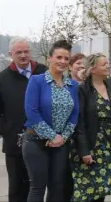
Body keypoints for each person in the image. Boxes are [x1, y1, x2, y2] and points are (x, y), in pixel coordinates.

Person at [22, 40, 79, 202]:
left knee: (57, 188)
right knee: (37, 188)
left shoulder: (72, 85)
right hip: (35, 141)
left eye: (66, 58)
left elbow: (75, 114)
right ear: (50, 58)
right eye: (59, 57)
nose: (62, 61)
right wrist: (52, 136)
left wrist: (62, 138)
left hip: (60, 144)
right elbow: (31, 112)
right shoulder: (37, 81)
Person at [70, 53, 111, 202]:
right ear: (93, 69)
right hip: (91, 145)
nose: (108, 66)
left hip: (108, 146)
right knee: (86, 192)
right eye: (103, 64)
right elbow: (79, 122)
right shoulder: (83, 90)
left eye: (108, 63)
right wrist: (84, 150)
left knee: (101, 189)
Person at [0, 37, 47, 202]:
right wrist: (9, 133)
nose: (23, 55)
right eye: (18, 52)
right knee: (17, 189)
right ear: (10, 54)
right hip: (15, 144)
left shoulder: (44, 72)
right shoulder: (2, 78)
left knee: (38, 187)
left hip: (43, 141)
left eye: (26, 51)